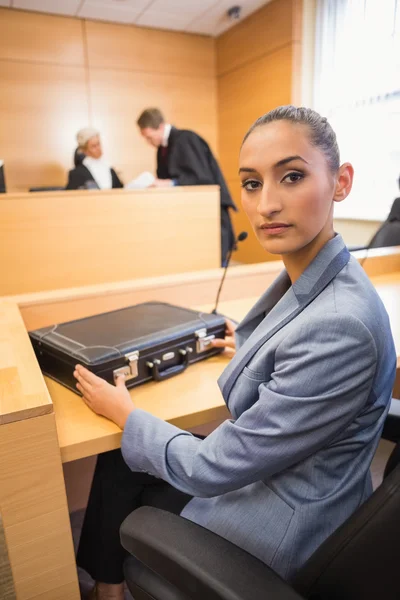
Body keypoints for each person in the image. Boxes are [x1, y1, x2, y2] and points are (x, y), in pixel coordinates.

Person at [73, 106, 396, 600]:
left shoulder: (340, 325)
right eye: (250, 183)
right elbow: (301, 343)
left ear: (340, 181)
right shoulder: (327, 276)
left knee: (128, 443)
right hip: (289, 474)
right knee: (124, 459)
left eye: (291, 176)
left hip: (279, 522)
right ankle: (110, 587)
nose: (266, 203)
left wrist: (127, 413)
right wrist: (251, 344)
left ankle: (107, 588)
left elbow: (212, 467)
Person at [136, 108, 238, 266]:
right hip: (188, 216)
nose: (148, 142)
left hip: (210, 215)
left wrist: (170, 183)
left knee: (214, 265)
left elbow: (203, 179)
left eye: (149, 137)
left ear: (161, 126)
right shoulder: (162, 149)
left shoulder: (186, 139)